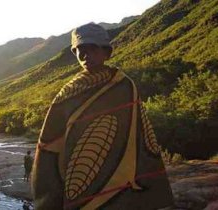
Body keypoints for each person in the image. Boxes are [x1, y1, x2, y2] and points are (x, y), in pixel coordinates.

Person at [32, 23, 173, 209]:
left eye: (92, 48)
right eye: (79, 49)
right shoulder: (67, 94)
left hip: (122, 177)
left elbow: (140, 135)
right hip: (78, 176)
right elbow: (50, 143)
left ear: (106, 52)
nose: (85, 55)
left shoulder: (124, 87)